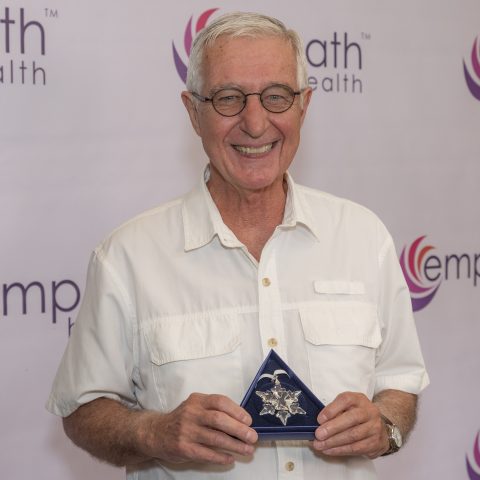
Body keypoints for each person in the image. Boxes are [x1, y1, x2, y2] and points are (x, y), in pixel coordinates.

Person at [47, 11, 429, 480]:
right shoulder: (127, 257)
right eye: (228, 98)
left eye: (276, 96)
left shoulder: (364, 237)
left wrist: (385, 426)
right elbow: (82, 410)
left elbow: (400, 384)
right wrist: (155, 433)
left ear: (304, 106)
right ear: (193, 112)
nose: (255, 122)